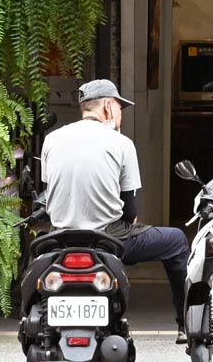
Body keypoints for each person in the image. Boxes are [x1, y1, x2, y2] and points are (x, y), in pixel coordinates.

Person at [40, 79, 191, 342]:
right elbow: (130, 208)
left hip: (61, 237)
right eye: (120, 108)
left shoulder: (51, 139)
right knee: (176, 241)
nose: (121, 115)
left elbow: (49, 191)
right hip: (108, 238)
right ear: (108, 107)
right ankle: (185, 324)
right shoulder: (121, 143)